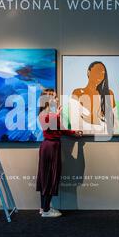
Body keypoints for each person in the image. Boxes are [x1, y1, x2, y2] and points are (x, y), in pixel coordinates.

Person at [37, 89, 83, 218]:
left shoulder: (46, 113)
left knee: (46, 177)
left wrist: (73, 132)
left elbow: (60, 129)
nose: (57, 100)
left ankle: (44, 207)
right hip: (51, 148)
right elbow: (56, 128)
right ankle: (46, 211)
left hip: (49, 147)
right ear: (48, 99)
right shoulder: (49, 115)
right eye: (55, 97)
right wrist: (57, 114)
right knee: (49, 177)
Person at [69, 61, 119, 135]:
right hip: (84, 139)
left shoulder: (109, 93)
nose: (100, 75)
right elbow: (74, 123)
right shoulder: (77, 93)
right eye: (97, 72)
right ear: (88, 72)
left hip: (105, 140)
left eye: (103, 73)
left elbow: (115, 124)